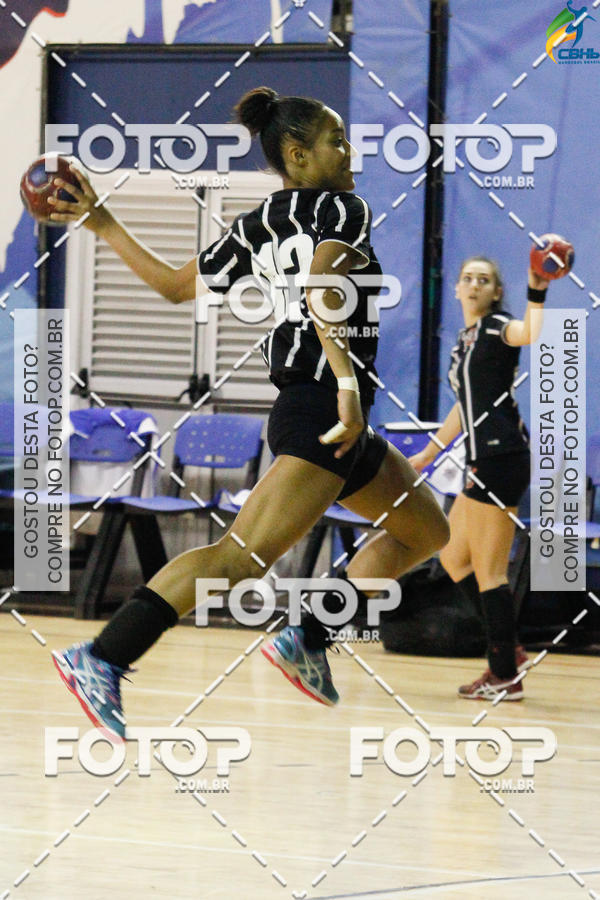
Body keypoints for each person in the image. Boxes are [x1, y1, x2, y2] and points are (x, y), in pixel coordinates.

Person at [50, 86, 449, 737]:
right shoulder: (344, 209)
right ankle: (99, 657)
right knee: (238, 559)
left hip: (318, 413)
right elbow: (323, 294)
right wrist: (348, 388)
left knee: (423, 530)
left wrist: (104, 225)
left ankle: (308, 636)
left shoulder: (258, 223)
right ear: (298, 153)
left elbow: (175, 287)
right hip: (325, 408)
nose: (349, 153)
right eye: (336, 142)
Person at [409, 255, 551, 700]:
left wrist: (538, 289)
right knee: (452, 558)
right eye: (466, 278)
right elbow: (462, 406)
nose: (473, 285)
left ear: (495, 293)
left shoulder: (496, 327)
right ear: (456, 289)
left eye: (483, 280)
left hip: (502, 458)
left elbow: (529, 333)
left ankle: (504, 674)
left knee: (490, 572)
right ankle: (506, 648)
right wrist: (428, 454)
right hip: (479, 461)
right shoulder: (465, 341)